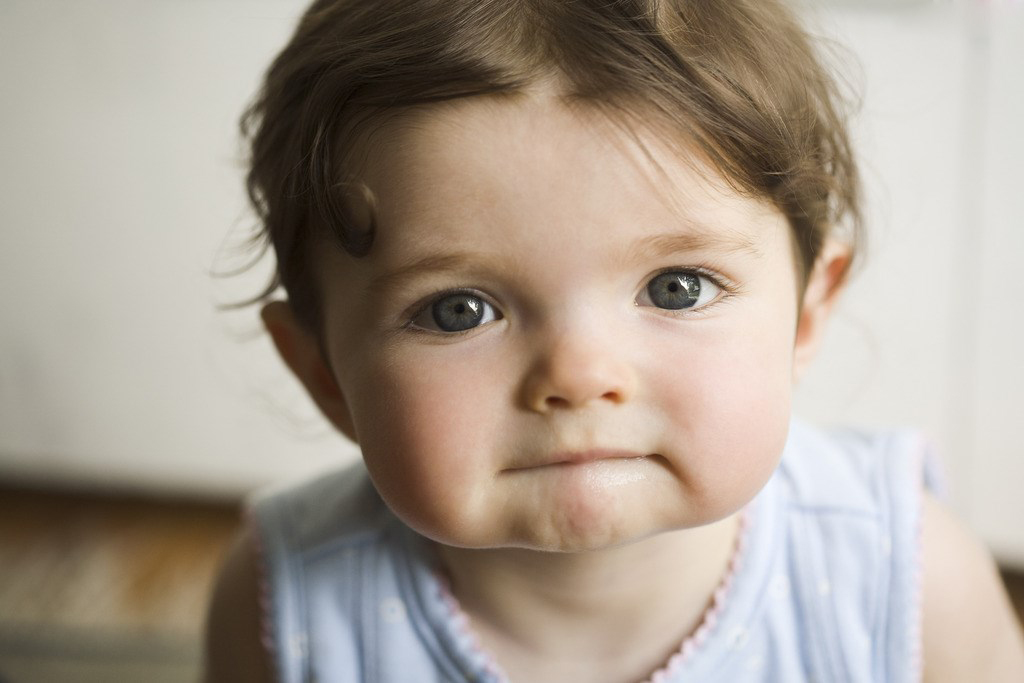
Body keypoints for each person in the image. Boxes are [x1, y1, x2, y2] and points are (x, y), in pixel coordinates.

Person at [203, 1, 1024, 681]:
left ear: (805, 316)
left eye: (678, 288)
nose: (579, 376)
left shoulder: (907, 590)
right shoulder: (286, 609)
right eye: (458, 309)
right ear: (324, 373)